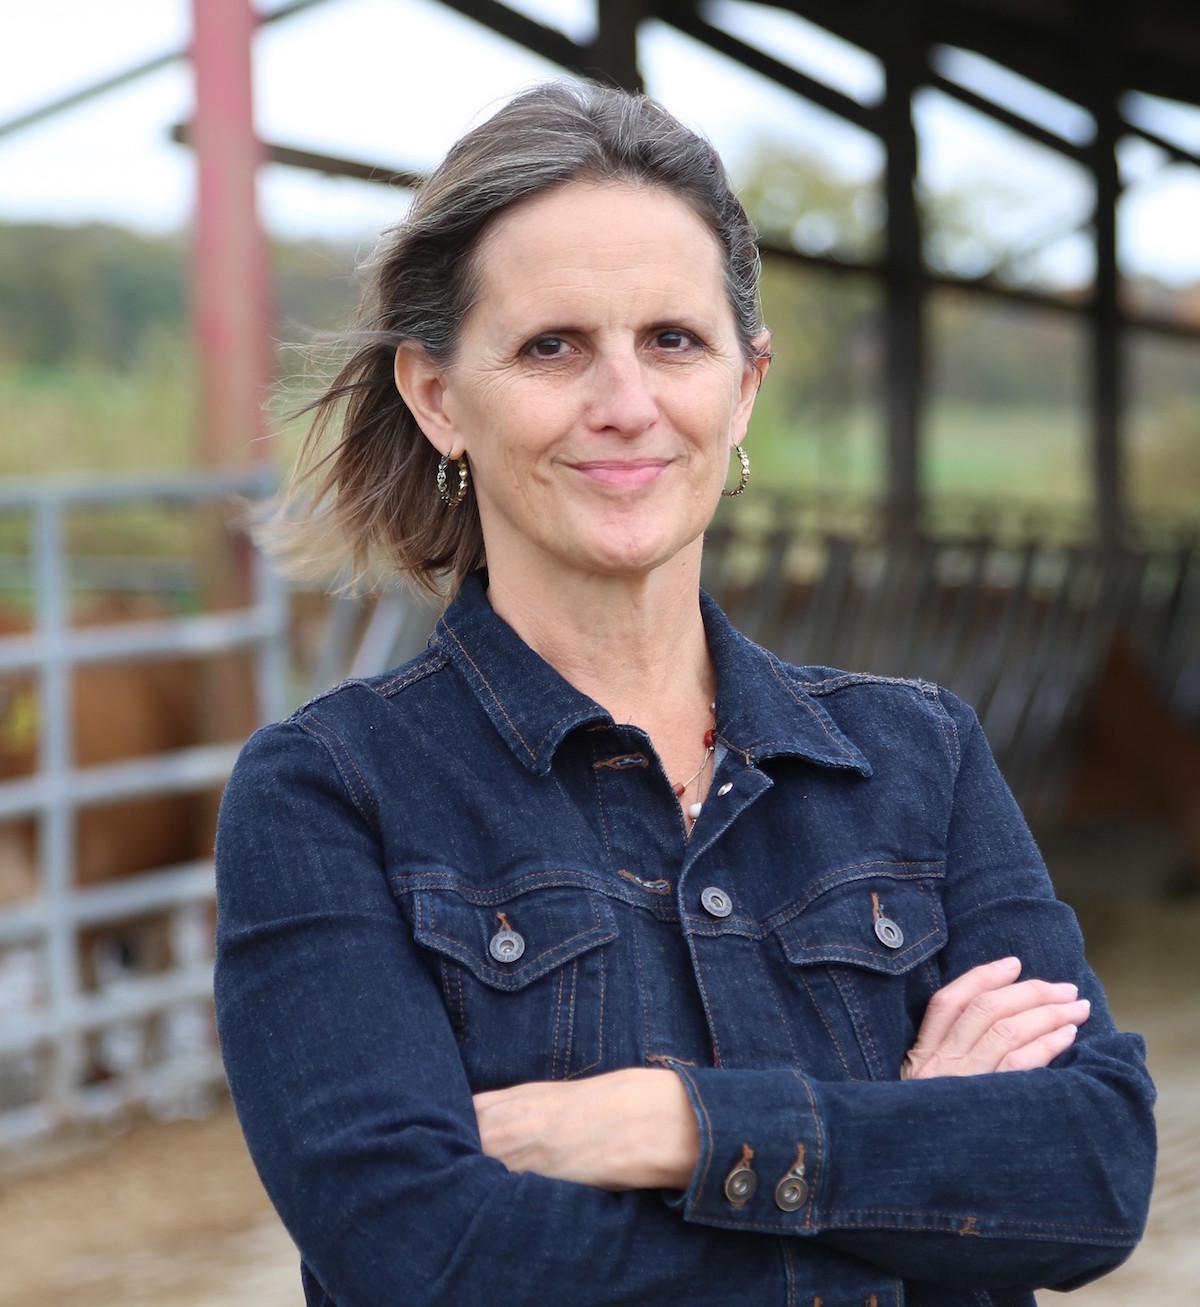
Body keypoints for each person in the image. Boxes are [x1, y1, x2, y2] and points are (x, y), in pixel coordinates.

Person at [214, 81, 1155, 1307]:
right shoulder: (332, 793)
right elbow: (426, 1254)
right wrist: (908, 1153)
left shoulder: (918, 753)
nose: (626, 404)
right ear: (438, 396)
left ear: (745, 384)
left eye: (674, 340)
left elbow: (1092, 1169)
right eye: (552, 346)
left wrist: (681, 1125)